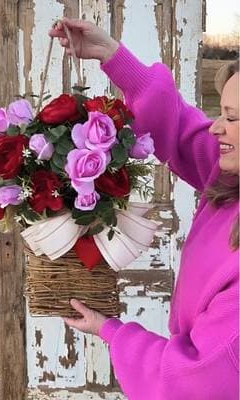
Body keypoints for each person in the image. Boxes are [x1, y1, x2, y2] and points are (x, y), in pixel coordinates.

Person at [49, 18, 239, 400]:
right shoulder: (231, 182)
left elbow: (196, 381)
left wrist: (113, 332)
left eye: (232, 118)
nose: (216, 128)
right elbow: (184, 128)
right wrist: (112, 55)